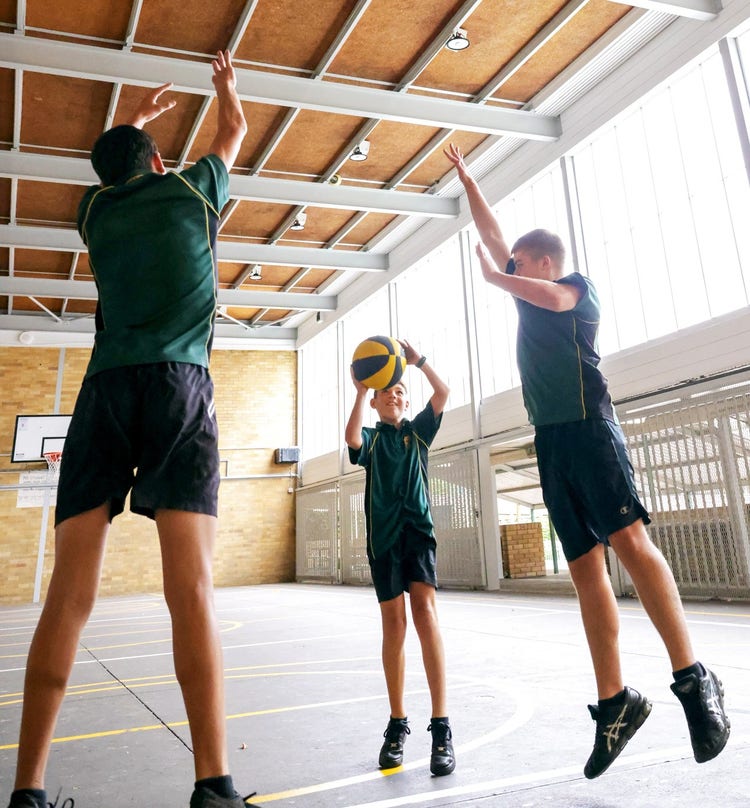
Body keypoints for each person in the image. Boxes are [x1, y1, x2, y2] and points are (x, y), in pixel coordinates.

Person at [6, 52, 258, 808]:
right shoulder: (189, 188)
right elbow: (235, 128)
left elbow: (111, 163)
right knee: (192, 590)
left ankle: (27, 791)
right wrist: (224, 89)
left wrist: (130, 128)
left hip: (104, 391)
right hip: (179, 385)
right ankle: (212, 784)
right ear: (157, 159)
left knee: (68, 594)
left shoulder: (95, 213)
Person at [444, 143, 730, 779]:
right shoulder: (526, 284)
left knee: (629, 541)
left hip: (591, 430)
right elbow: (494, 238)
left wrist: (497, 276)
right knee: (583, 570)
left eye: (520, 262)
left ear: (544, 260)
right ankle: (615, 704)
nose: (509, 267)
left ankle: (693, 678)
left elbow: (543, 294)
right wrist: (470, 183)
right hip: (550, 440)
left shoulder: (576, 288)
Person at [345, 340, 455, 777]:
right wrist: (357, 390)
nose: (396, 395)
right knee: (395, 626)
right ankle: (397, 722)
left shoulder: (418, 433)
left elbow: (443, 393)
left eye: (401, 392)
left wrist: (420, 361)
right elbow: (350, 438)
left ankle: (442, 727)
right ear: (375, 401)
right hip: (384, 543)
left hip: (418, 536)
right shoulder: (371, 439)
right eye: (387, 392)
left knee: (426, 614)